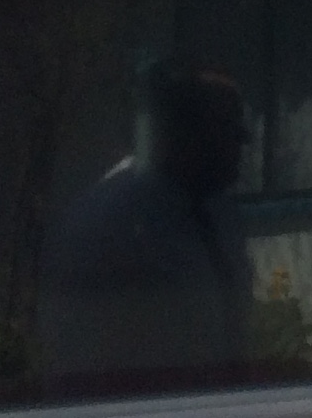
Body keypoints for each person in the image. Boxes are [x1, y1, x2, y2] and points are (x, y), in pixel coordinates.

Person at [37, 62, 252, 397]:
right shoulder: (110, 222)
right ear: (184, 132)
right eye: (229, 131)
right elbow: (78, 354)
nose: (242, 146)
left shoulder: (219, 212)